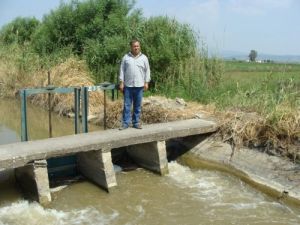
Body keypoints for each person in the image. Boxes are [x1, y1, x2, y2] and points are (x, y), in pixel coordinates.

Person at [119, 39, 151, 130]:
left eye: (137, 46)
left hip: (139, 86)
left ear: (139, 46)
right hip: (128, 86)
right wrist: (121, 82)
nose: (136, 48)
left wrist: (146, 82)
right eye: (134, 46)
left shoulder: (144, 58)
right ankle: (125, 123)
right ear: (131, 47)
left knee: (137, 105)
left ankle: (136, 123)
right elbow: (122, 70)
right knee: (127, 105)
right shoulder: (126, 57)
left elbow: (147, 71)